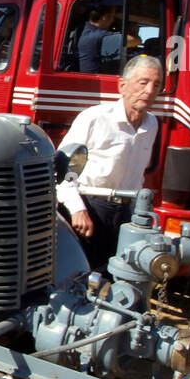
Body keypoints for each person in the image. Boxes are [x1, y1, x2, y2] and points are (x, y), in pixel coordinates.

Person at [56, 56, 162, 272]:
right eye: (143, 82)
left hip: (125, 212)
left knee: (119, 275)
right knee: (82, 277)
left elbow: (138, 173)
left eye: (156, 85)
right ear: (122, 86)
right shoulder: (94, 118)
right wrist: (77, 209)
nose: (150, 90)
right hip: (90, 210)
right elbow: (62, 169)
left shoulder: (152, 123)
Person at [76, 3, 119, 73]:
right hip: (94, 81)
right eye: (113, 16)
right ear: (105, 17)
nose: (113, 21)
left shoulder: (83, 30)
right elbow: (133, 41)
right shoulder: (98, 35)